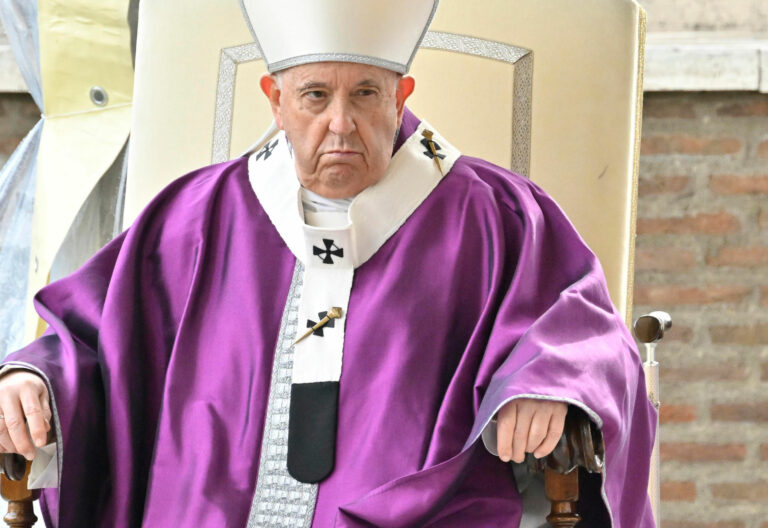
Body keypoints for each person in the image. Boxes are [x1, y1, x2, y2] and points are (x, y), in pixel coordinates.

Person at [0, 0, 656, 526]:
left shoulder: (494, 216)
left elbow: (582, 328)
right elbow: (91, 333)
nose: (341, 125)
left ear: (401, 95)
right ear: (274, 99)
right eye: (315, 95)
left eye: (365, 94)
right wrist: (31, 378)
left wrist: (545, 385)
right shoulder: (196, 216)